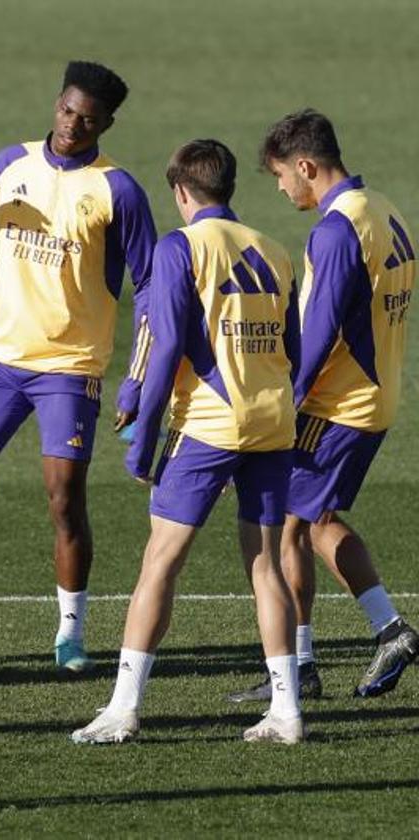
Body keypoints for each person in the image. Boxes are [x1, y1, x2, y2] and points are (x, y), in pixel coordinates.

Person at [0, 60, 156, 671]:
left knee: (62, 498)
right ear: (56, 103)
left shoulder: (117, 190)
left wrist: (138, 375)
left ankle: (70, 632)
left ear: (107, 123)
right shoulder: (11, 165)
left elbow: (152, 287)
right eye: (67, 110)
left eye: (89, 119)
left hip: (69, 369)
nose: (73, 125)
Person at [73, 139, 306, 745]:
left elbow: (167, 345)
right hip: (274, 422)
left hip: (209, 426)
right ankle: (287, 711)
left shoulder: (181, 248)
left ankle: (123, 707)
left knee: (161, 563)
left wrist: (141, 441)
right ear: (228, 187)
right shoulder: (276, 250)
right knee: (265, 565)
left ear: (180, 192)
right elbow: (296, 349)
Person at [227, 110, 417, 703]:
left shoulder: (335, 231)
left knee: (301, 525)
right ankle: (305, 661)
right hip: (375, 394)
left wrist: (285, 399)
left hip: (338, 404)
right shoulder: (383, 208)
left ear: (306, 166)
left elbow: (321, 330)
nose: (282, 188)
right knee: (299, 524)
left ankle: (384, 631)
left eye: (283, 175)